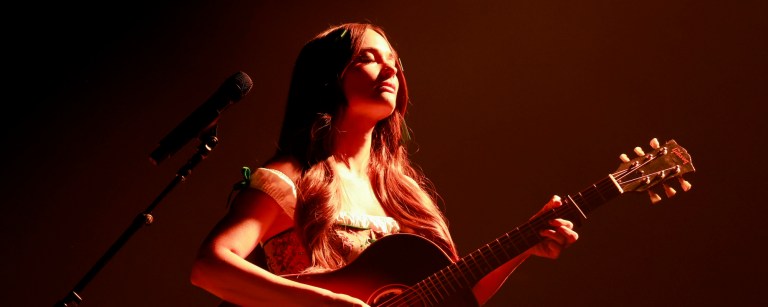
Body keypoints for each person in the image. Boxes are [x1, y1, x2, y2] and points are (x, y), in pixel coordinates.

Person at [190, 22, 578, 306]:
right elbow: (209, 267)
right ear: (329, 77)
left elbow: (459, 296)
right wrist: (323, 303)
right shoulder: (290, 179)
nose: (390, 70)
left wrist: (524, 245)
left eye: (393, 62)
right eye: (368, 59)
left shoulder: (403, 195)